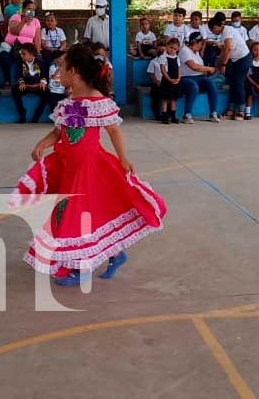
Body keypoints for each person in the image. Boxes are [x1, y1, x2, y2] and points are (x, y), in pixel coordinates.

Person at [13, 43, 166, 285]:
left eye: (61, 69)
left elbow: (113, 130)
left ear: (74, 71)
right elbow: (59, 132)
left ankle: (80, 268)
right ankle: (115, 253)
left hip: (90, 169)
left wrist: (123, 158)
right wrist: (42, 144)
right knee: (79, 215)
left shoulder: (97, 100)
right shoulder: (68, 102)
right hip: (69, 167)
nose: (57, 73)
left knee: (79, 216)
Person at [210, 15, 252, 121]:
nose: (213, 32)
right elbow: (224, 51)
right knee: (232, 84)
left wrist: (223, 65)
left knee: (238, 83)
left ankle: (241, 111)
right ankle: (231, 110)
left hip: (243, 59)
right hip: (235, 60)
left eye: (213, 29)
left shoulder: (227, 30)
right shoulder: (223, 34)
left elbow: (228, 49)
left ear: (217, 26)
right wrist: (218, 65)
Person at [178, 32, 220, 123]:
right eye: (201, 44)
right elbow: (194, 66)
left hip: (199, 77)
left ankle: (213, 113)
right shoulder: (184, 51)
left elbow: (201, 68)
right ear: (196, 42)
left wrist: (209, 71)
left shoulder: (197, 53)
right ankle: (187, 115)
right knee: (193, 86)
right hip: (185, 79)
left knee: (211, 83)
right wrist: (209, 68)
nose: (201, 46)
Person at [0, 0, 41, 85]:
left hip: (28, 49)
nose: (31, 11)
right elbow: (14, 31)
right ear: (23, 9)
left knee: (37, 59)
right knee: (4, 56)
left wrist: (37, 52)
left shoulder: (36, 21)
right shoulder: (15, 17)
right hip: (14, 48)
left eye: (33, 10)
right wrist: (23, 21)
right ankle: (9, 79)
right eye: (29, 9)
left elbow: (37, 39)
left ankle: (28, 80)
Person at [13, 43, 48, 124]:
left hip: (37, 85)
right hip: (26, 85)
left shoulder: (40, 62)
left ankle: (37, 114)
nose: (21, 55)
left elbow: (44, 74)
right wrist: (21, 82)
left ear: (31, 54)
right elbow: (18, 75)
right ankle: (22, 113)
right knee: (15, 90)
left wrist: (43, 82)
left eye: (24, 54)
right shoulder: (20, 63)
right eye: (21, 53)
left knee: (47, 92)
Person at [158, 38, 181, 124]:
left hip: (175, 80)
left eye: (175, 49)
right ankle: (164, 117)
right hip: (167, 80)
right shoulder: (163, 57)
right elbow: (163, 70)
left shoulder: (177, 58)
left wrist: (178, 78)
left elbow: (179, 69)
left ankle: (173, 117)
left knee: (173, 99)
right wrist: (169, 79)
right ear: (167, 46)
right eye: (171, 47)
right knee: (165, 99)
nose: (172, 50)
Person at [146, 40, 167, 120]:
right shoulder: (153, 61)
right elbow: (151, 73)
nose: (161, 51)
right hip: (157, 83)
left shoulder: (168, 60)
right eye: (159, 49)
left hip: (166, 83)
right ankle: (157, 116)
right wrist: (156, 81)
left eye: (163, 49)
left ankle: (167, 115)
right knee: (155, 99)